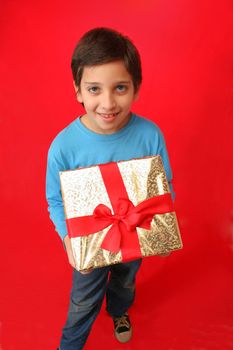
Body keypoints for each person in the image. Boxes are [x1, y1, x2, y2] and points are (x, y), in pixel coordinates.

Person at [46, 27, 173, 350]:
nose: (107, 103)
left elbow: (162, 188)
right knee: (82, 301)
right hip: (89, 240)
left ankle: (118, 310)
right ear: (78, 91)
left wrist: (163, 230)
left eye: (120, 88)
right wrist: (67, 239)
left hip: (135, 233)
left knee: (125, 280)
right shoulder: (64, 146)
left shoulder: (149, 135)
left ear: (136, 88)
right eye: (94, 89)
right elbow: (54, 199)